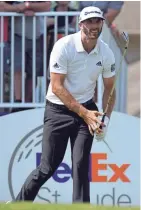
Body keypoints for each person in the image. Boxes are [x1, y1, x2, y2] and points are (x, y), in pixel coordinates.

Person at [13, 6, 116, 203]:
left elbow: (110, 89)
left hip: (86, 108)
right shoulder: (64, 46)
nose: (94, 25)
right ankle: (19, 203)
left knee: (80, 164)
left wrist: (105, 119)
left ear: (102, 23)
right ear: (80, 25)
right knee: (47, 167)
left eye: (98, 21)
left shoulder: (106, 52)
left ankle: (81, 207)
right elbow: (57, 86)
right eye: (89, 21)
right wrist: (85, 113)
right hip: (58, 109)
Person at [0, 1, 51, 112]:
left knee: (34, 71)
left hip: (38, 36)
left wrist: (28, 6)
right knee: (17, 68)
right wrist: (19, 8)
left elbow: (47, 6)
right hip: (17, 34)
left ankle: (27, 104)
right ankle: (18, 103)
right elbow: (2, 6)